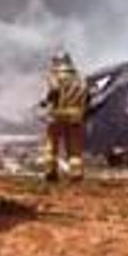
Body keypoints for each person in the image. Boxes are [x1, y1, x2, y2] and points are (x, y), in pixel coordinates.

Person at [39, 51, 88, 181]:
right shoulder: (80, 77)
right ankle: (76, 173)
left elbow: (54, 90)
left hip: (58, 114)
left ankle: (51, 172)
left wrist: (45, 101)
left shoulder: (55, 76)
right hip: (76, 115)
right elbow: (87, 96)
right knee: (74, 147)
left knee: (51, 144)